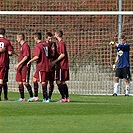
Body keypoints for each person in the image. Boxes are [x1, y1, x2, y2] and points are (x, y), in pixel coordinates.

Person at [27, 32, 52, 102]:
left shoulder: (38, 46)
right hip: (45, 66)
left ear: (36, 38)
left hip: (41, 66)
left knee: (43, 82)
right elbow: (51, 54)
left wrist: (29, 61)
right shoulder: (46, 45)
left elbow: (37, 56)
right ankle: (35, 96)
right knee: (34, 79)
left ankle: (46, 98)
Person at [50, 30, 70, 102]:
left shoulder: (61, 43)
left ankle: (63, 98)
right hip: (62, 65)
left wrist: (54, 62)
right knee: (63, 82)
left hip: (61, 65)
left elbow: (62, 54)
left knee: (58, 81)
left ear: (57, 35)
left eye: (55, 34)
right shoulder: (60, 43)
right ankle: (67, 97)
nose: (54, 35)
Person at [14, 33, 33, 102]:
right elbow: (21, 55)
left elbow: (26, 57)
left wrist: (18, 64)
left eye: (17, 38)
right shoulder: (21, 46)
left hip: (24, 67)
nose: (16, 39)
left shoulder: (25, 46)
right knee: (19, 82)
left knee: (25, 82)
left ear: (20, 38)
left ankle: (31, 96)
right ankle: (22, 98)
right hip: (20, 67)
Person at [0, 28, 13, 101]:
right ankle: (4, 96)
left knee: (3, 81)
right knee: (2, 80)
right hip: (3, 63)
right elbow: (10, 53)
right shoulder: (7, 42)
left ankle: (5, 97)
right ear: (4, 33)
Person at [45, 32, 57, 101]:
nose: (50, 40)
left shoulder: (53, 45)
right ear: (46, 39)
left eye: (51, 39)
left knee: (51, 82)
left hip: (52, 66)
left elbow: (53, 54)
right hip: (45, 66)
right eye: (49, 39)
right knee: (45, 81)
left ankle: (49, 96)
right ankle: (45, 96)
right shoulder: (44, 45)